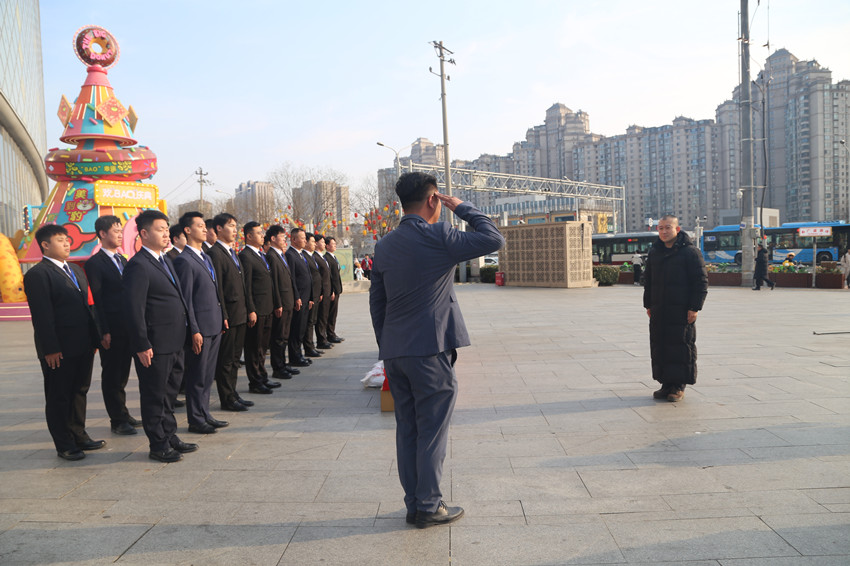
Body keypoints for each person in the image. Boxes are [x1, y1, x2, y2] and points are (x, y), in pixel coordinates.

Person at [369, 172, 504, 528]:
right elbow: (493, 238)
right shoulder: (439, 235)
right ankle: (429, 505)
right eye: (440, 201)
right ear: (433, 200)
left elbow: (377, 303)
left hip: (395, 352)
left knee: (407, 428)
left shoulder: (384, 245)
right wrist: (462, 207)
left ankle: (414, 503)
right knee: (432, 430)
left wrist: (388, 345)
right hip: (429, 351)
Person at [123, 210, 198, 462]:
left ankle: (169, 435)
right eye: (160, 229)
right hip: (155, 344)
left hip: (175, 340)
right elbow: (134, 309)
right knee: (154, 394)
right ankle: (158, 444)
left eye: (167, 229)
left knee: (169, 394)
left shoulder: (164, 260)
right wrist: (141, 343)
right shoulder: (138, 266)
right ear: (144, 233)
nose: (166, 234)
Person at [24, 225, 104, 461]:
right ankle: (64, 444)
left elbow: (87, 307)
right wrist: (50, 349)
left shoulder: (76, 270)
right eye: (60, 240)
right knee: (59, 395)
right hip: (58, 348)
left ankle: (79, 435)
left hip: (83, 344)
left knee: (79, 390)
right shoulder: (38, 274)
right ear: (45, 245)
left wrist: (95, 338)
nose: (67, 243)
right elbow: (42, 316)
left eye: (67, 239)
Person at [172, 212, 229, 434]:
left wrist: (221, 317)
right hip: (200, 328)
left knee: (207, 375)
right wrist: (193, 329)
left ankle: (205, 413)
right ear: (187, 230)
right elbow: (186, 300)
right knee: (197, 375)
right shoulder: (184, 261)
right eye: (200, 226)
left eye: (205, 226)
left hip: (213, 324)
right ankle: (195, 419)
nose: (205, 229)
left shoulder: (205, 257)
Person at [85, 215, 140, 436]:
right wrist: (103, 331)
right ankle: (117, 420)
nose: (120, 235)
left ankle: (123, 412)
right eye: (116, 231)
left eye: (120, 230)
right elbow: (96, 300)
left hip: (127, 326)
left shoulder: (123, 260)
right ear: (102, 234)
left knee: (123, 373)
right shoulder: (95, 263)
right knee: (112, 374)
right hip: (111, 329)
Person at [643, 215, 708, 403]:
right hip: (659, 309)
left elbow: (701, 282)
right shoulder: (655, 252)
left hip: (681, 311)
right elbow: (648, 281)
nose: (664, 231)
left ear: (677, 229)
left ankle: (678, 386)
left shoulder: (690, 252)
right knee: (661, 346)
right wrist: (648, 304)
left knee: (680, 346)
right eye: (661, 228)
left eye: (668, 227)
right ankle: (666, 384)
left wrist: (695, 307)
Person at [206, 213, 254, 412]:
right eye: (231, 226)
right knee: (226, 360)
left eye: (236, 226)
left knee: (235, 358)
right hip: (229, 315)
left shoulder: (232, 252)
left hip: (240, 313)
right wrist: (223, 315)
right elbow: (217, 288)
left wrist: (249, 309)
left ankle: (233, 393)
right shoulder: (215, 254)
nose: (235, 230)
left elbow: (243, 285)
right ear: (219, 228)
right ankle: (226, 398)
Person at [239, 221, 282, 394]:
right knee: (253, 348)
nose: (262, 236)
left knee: (263, 347)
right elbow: (247, 286)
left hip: (267, 308)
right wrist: (251, 309)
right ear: (249, 236)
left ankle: (263, 376)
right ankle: (255, 382)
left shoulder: (260, 254)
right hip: (257, 310)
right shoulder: (245, 256)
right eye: (258, 233)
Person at [265, 225, 298, 380]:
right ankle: (277, 367)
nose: (285, 240)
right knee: (278, 337)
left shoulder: (281, 255)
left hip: (288, 300)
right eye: (282, 237)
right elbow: (274, 283)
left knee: (285, 335)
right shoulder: (271, 256)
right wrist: (277, 303)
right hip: (281, 303)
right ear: (273, 238)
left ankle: (283, 364)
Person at [286, 228, 313, 368]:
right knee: (296, 329)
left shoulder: (300, 254)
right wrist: (297, 297)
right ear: (294, 239)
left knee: (302, 328)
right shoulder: (290, 255)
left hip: (306, 297)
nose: (305, 240)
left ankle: (299, 354)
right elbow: (292, 279)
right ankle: (294, 356)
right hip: (299, 298)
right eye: (302, 238)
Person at [301, 233, 323, 358]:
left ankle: (311, 346)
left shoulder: (311, 256)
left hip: (315, 293)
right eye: (312, 241)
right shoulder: (304, 256)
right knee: (309, 322)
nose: (315, 244)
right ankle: (308, 347)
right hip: (309, 294)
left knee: (312, 321)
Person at [313, 235, 333, 349]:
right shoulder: (315, 257)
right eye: (322, 242)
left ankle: (324, 337)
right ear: (316, 243)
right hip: (322, 291)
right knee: (321, 317)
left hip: (327, 290)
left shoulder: (322, 257)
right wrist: (320, 292)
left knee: (325, 315)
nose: (324, 244)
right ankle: (321, 340)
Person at [324, 236, 344, 343]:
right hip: (332, 290)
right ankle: (330, 334)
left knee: (334, 313)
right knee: (330, 313)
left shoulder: (333, 257)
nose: (335, 246)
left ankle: (332, 332)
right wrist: (331, 290)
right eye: (333, 244)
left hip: (337, 289)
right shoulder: (326, 258)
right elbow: (329, 276)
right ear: (327, 246)